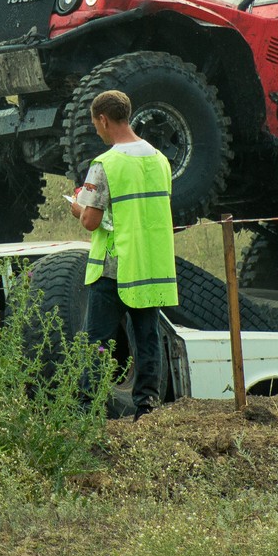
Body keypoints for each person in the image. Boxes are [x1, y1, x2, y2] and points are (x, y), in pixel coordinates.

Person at [67, 89, 178, 419]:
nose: (97, 131)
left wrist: (77, 207)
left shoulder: (105, 164)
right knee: (148, 339)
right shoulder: (160, 161)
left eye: (95, 125)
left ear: (103, 119)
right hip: (149, 265)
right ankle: (147, 406)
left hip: (113, 266)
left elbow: (90, 221)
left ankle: (89, 408)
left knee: (97, 341)